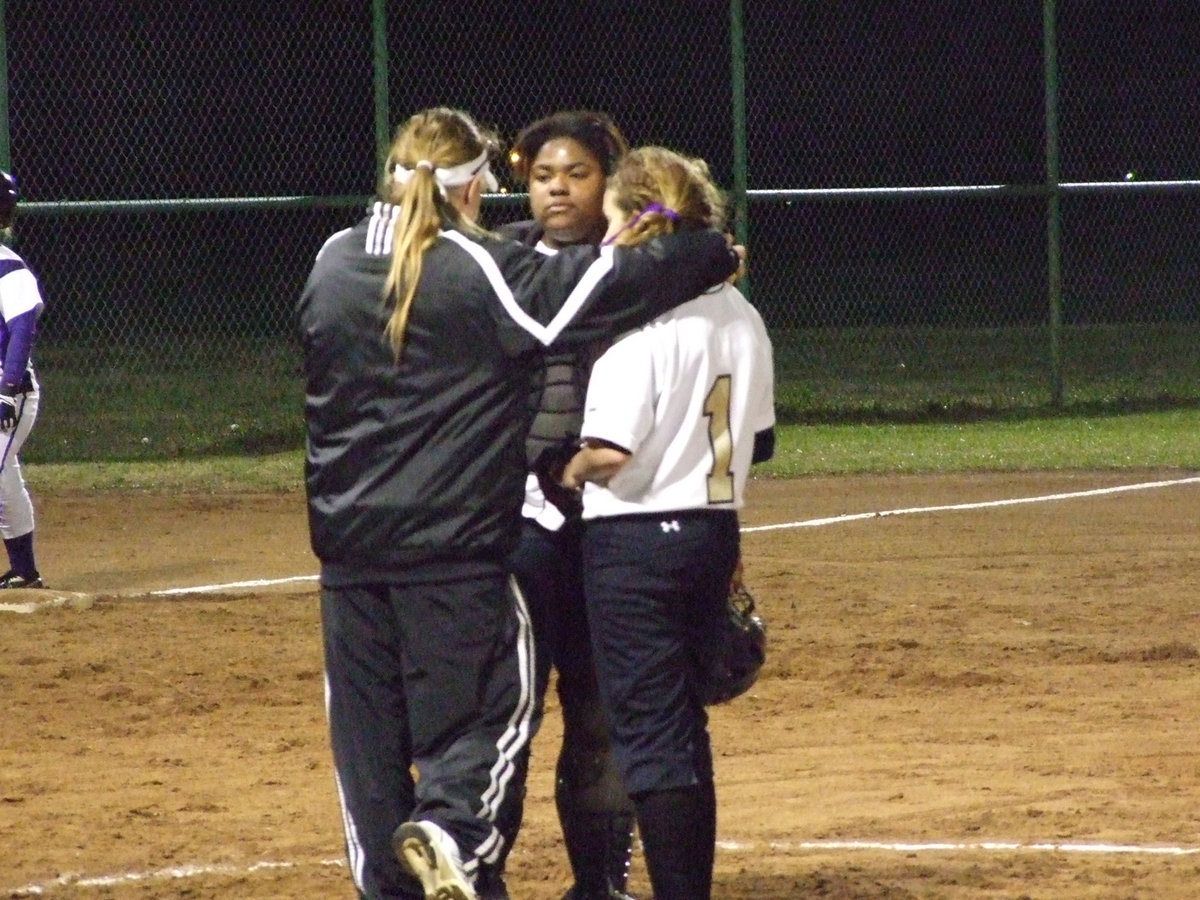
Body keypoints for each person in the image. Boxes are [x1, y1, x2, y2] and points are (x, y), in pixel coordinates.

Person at [296, 108, 739, 900]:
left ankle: (395, 885)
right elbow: (600, 284)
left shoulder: (329, 263)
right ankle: (456, 834)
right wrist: (704, 249)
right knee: (491, 715)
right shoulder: (478, 268)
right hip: (455, 551)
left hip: (347, 560)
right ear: (475, 188)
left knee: (365, 752)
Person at [559, 147, 776, 900]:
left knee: (648, 737)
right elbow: (763, 440)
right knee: (684, 728)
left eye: (614, 218)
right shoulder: (742, 313)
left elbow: (611, 453)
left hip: (636, 545)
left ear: (637, 225)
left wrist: (570, 468)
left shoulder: (637, 324)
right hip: (712, 534)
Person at [501, 111, 640, 900]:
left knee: (597, 709)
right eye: (544, 173)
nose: (556, 185)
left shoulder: (639, 266)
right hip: (514, 519)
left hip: (608, 519)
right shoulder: (498, 260)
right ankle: (479, 875)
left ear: (610, 183)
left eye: (577, 172)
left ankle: (600, 885)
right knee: (506, 712)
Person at [0, 171, 46, 590]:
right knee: (4, 476)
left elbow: (22, 327)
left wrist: (8, 389)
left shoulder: (8, 268)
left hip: (7, 392)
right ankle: (25, 570)